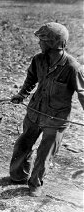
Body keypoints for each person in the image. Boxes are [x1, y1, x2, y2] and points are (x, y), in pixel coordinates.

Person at [10, 22, 84, 197]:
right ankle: (18, 175)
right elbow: (31, 79)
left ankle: (35, 183)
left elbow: (82, 93)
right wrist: (22, 94)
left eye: (42, 40)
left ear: (52, 43)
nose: (39, 43)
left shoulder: (72, 68)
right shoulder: (38, 60)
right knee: (23, 145)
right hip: (35, 111)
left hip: (56, 119)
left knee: (45, 154)